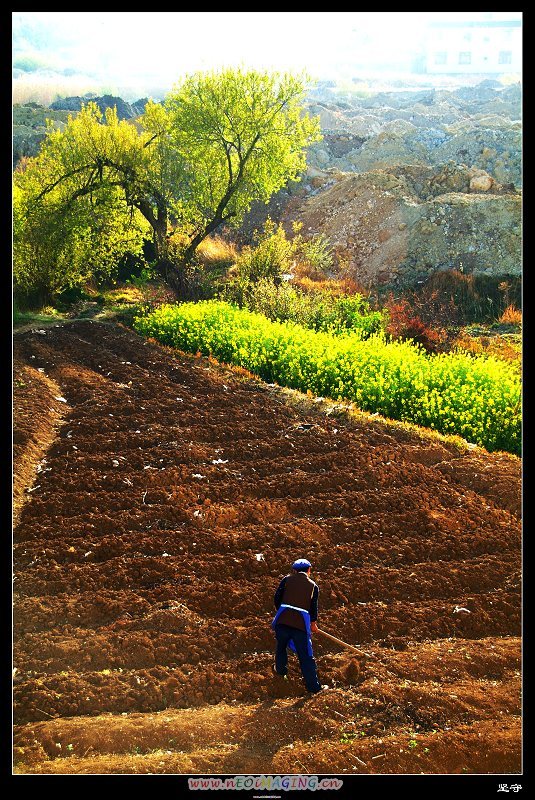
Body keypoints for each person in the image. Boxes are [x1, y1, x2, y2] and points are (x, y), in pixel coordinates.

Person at [271, 558, 323, 694]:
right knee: (305, 655)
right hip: (300, 625)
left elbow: (277, 598)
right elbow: (313, 608)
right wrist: (313, 623)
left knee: (281, 647)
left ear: (294, 570)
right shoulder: (313, 586)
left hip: (282, 621)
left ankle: (280, 671)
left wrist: (283, 611)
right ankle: (314, 688)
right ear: (309, 570)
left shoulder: (286, 580)